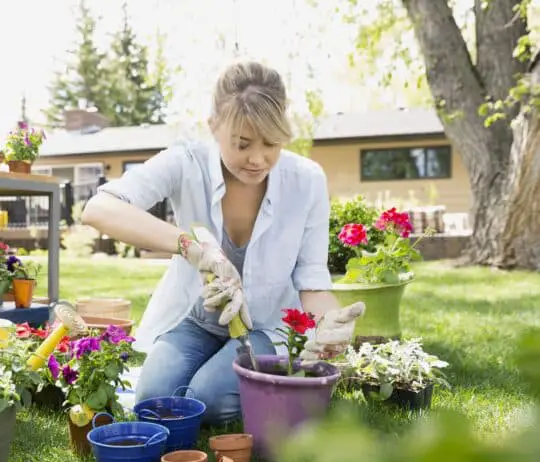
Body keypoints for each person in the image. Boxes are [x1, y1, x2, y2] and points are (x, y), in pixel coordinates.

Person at [81, 61, 365, 425]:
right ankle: (237, 383)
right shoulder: (186, 162)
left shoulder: (306, 180)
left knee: (210, 401)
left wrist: (330, 321)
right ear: (214, 126)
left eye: (272, 143)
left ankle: (222, 387)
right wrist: (192, 247)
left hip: (267, 324)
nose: (259, 159)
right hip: (198, 320)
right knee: (153, 402)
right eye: (243, 143)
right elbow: (99, 208)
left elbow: (311, 279)